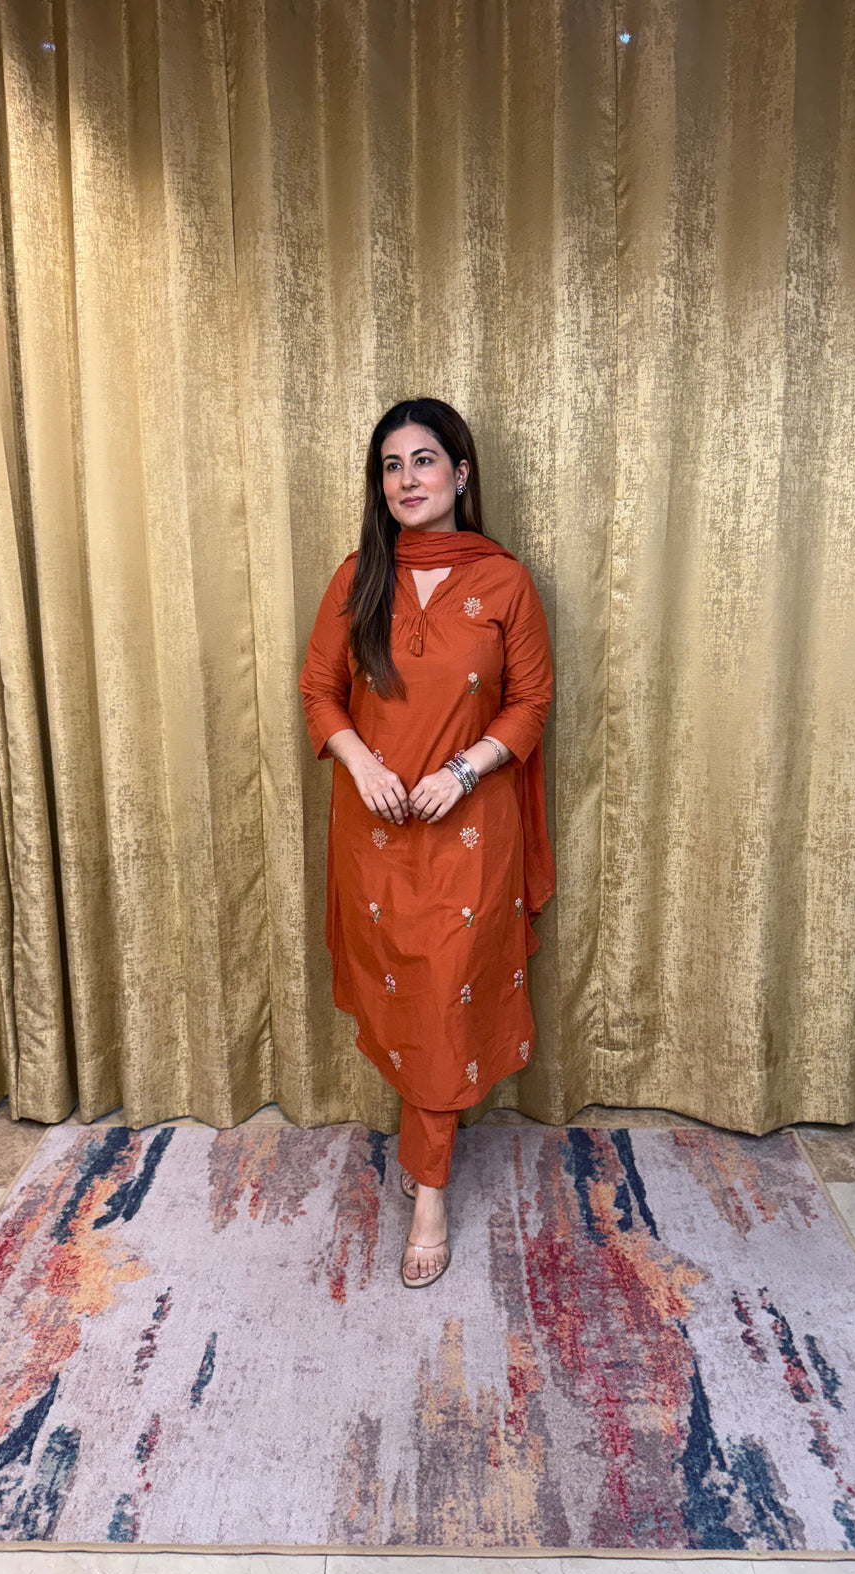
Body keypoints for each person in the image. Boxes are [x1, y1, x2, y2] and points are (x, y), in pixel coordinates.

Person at [299, 397, 555, 1286]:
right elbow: (317, 689)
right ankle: (426, 1147)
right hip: (374, 829)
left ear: (460, 471)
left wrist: (464, 771)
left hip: (469, 830)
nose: (407, 479)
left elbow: (530, 702)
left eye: (423, 460)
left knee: (446, 996)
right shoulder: (358, 577)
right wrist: (360, 761)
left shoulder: (505, 582)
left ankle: (430, 1194)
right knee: (404, 995)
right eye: (391, 465)